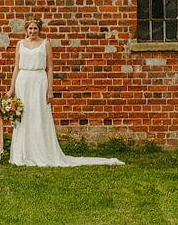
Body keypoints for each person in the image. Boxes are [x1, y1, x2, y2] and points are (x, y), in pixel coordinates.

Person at [7, 18, 124, 167]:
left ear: (39, 29)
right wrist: (11, 89)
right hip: (23, 81)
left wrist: (50, 89)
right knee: (24, 116)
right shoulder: (20, 45)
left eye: (35, 28)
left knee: (39, 115)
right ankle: (23, 153)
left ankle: (41, 152)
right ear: (26, 29)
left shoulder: (45, 44)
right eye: (30, 28)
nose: (32, 31)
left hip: (39, 81)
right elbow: (16, 67)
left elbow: (49, 68)